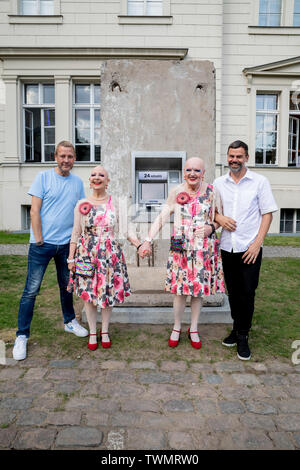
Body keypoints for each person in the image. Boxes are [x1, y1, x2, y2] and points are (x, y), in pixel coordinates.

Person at [13, 141, 88, 361]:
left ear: (75, 159)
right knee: (31, 290)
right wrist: (38, 240)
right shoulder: (43, 177)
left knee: (66, 286)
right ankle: (22, 335)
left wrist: (78, 241)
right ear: (55, 156)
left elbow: (80, 213)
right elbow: (34, 210)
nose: (66, 160)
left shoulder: (77, 183)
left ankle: (69, 322)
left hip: (66, 246)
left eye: (70, 156)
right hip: (42, 245)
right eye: (63, 156)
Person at [139, 157, 225, 349]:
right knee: (179, 292)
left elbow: (220, 218)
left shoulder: (212, 192)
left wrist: (212, 227)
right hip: (181, 250)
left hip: (203, 250)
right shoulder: (176, 191)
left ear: (204, 173)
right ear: (184, 172)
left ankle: (193, 328)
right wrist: (147, 239)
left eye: (196, 170)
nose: (192, 174)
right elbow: (161, 218)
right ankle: (177, 327)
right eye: (188, 170)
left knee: (197, 293)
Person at [214, 140, 278, 361]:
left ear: (247, 158)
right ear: (227, 157)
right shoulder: (218, 183)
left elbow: (267, 213)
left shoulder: (259, 182)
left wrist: (257, 243)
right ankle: (235, 328)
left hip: (249, 247)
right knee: (232, 292)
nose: (234, 160)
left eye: (239, 156)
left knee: (247, 292)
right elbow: (210, 211)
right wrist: (220, 218)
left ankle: (243, 336)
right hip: (227, 246)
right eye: (231, 156)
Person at [67, 165, 142, 351]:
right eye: (93, 174)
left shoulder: (117, 203)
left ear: (107, 181)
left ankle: (105, 330)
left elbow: (126, 229)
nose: (97, 177)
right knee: (89, 294)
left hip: (110, 256)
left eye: (102, 175)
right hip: (86, 255)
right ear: (90, 180)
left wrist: (139, 244)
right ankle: (93, 332)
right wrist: (71, 258)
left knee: (108, 292)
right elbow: (76, 232)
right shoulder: (81, 204)